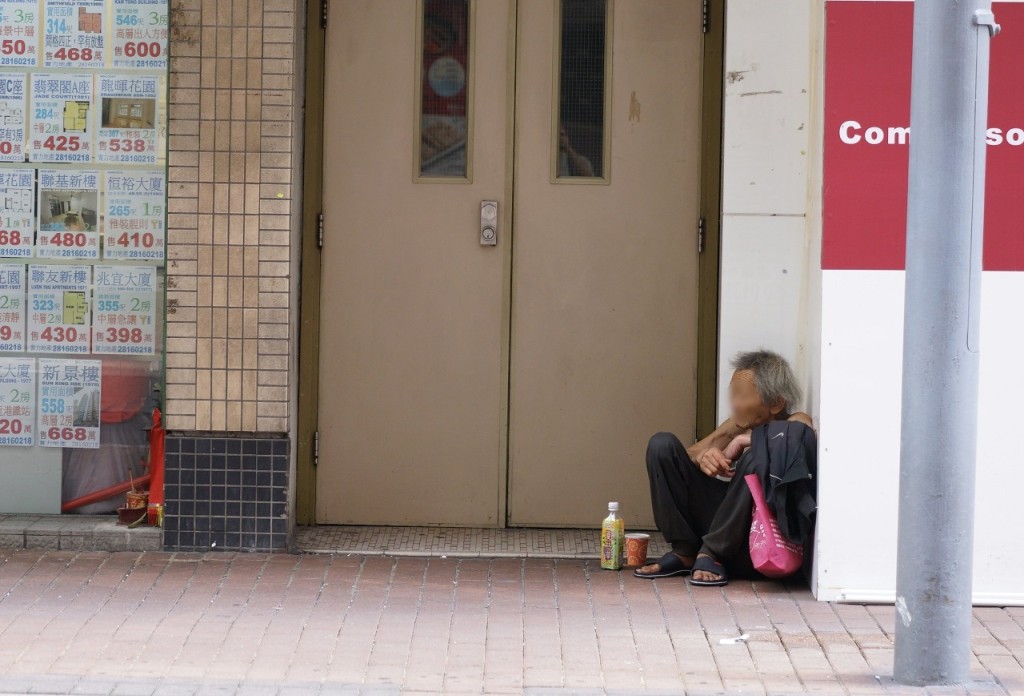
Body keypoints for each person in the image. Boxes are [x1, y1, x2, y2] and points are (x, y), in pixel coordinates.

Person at [634, 349, 814, 586]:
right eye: (733, 394)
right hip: (722, 526)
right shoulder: (738, 424)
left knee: (754, 459)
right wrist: (709, 455)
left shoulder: (796, 421)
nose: (734, 404)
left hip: (754, 542)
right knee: (661, 446)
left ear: (776, 403)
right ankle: (685, 552)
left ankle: (712, 553)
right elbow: (683, 461)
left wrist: (745, 441)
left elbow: (798, 437)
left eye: (743, 396)